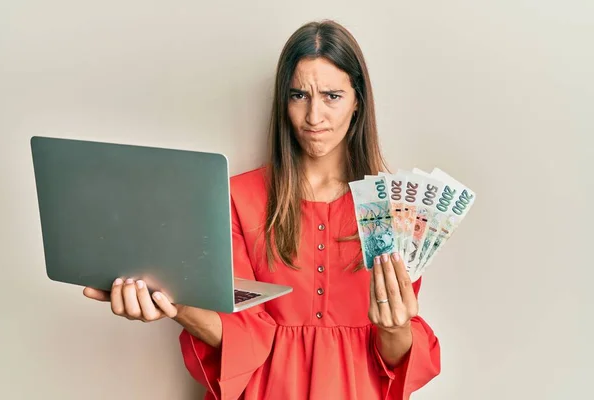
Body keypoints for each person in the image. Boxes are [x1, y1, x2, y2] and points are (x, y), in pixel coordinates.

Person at [84, 19, 441, 400]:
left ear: (358, 102)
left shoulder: (396, 208)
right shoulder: (238, 197)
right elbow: (242, 336)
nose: (314, 117)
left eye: (332, 96)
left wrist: (394, 329)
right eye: (299, 95)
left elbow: (394, 358)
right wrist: (174, 304)